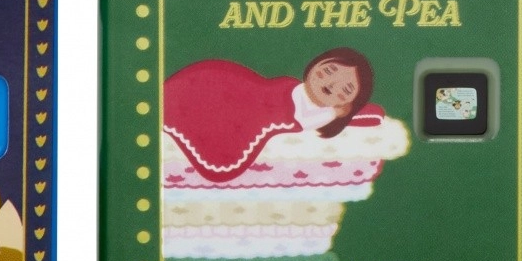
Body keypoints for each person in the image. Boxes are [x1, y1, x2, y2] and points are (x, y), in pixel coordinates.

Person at [162, 48, 380, 183]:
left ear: (347, 106)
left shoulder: (331, 113)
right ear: (314, 65)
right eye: (329, 70)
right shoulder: (289, 91)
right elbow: (292, 116)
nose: (331, 83)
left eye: (346, 88)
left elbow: (362, 114)